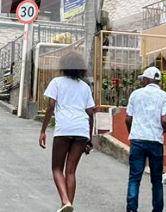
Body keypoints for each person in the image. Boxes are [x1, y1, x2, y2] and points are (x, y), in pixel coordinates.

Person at [39, 52, 96, 212]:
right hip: (82, 130)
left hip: (64, 128)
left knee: (57, 168)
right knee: (71, 171)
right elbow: (90, 113)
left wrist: (43, 130)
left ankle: (65, 201)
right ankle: (68, 206)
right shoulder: (85, 87)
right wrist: (89, 138)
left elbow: (51, 106)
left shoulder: (56, 82)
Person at [124, 67, 166, 212]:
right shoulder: (165, 97)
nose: (142, 82)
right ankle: (157, 209)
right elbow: (165, 120)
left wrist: (133, 133)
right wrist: (163, 130)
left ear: (146, 80)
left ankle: (132, 209)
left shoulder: (135, 94)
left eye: (143, 79)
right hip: (155, 141)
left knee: (134, 178)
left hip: (137, 140)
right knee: (156, 180)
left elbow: (128, 119)